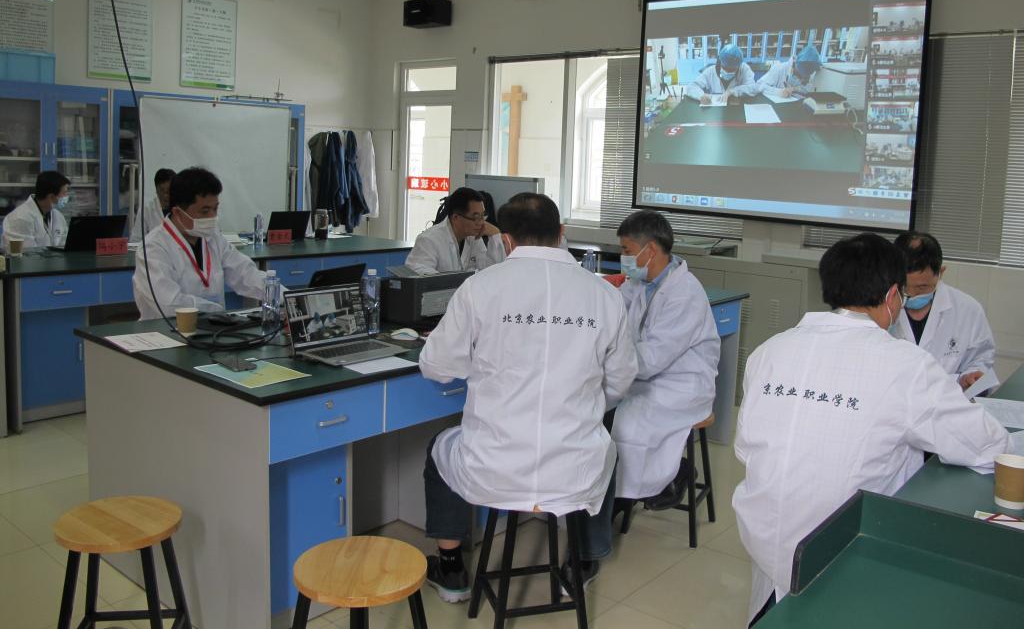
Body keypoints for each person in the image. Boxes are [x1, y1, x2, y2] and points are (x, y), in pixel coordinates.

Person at [732, 233, 1008, 626]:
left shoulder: (770, 350)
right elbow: (985, 444)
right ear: (893, 295)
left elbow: (746, 450)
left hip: (763, 539)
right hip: (845, 547)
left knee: (779, 610)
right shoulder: (906, 364)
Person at [418, 193, 638, 603]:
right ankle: (583, 560)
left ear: (506, 240)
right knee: (605, 448)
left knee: (439, 448)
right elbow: (622, 379)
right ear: (561, 232)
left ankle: (450, 569)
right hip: (573, 467)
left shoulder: (480, 288)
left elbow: (436, 366)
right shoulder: (604, 295)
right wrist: (584, 403)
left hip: (493, 467)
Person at [573, 210, 720, 591]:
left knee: (617, 429)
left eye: (626, 250)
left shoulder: (684, 294)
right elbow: (614, 318)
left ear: (650, 250)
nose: (622, 257)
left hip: (679, 385)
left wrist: (604, 358)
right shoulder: (641, 282)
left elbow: (652, 358)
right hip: (641, 377)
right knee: (597, 417)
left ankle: (657, 485)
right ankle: (628, 495)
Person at [133, 167, 267, 320]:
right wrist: (214, 309)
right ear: (178, 212)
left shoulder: (213, 237)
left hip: (213, 327)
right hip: (167, 331)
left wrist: (281, 294)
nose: (212, 216)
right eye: (205, 211)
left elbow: (245, 273)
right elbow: (169, 303)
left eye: (215, 209)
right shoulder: (153, 248)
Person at [893, 232, 996, 392]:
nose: (911, 294)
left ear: (941, 272)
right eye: (904, 287)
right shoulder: (881, 307)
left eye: (922, 287)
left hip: (947, 401)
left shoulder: (967, 309)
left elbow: (981, 359)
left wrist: (968, 378)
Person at [405, 187, 505, 274]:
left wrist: (495, 234)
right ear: (456, 218)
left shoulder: (474, 237)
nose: (481, 222)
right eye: (476, 217)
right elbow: (419, 274)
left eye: (483, 216)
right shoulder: (429, 240)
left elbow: (489, 271)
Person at [2, 171, 71, 250]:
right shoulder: (19, 218)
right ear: (51, 197)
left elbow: (65, 245)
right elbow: (23, 253)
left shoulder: (58, 215)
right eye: (64, 193)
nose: (67, 197)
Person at [685, 43, 756, 103]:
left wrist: (733, 91)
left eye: (732, 69)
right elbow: (691, 87)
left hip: (737, 108)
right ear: (721, 62)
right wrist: (701, 96)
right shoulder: (711, 71)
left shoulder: (744, 69)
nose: (728, 72)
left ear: (738, 65)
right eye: (725, 68)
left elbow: (753, 88)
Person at [756, 45, 822, 98]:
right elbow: (759, 86)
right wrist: (779, 92)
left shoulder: (809, 71)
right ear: (796, 63)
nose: (803, 79)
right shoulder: (779, 69)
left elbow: (807, 87)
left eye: (807, 75)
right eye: (801, 76)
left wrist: (793, 89)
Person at [129, 168, 175, 244]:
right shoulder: (146, 210)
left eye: (169, 191)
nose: (165, 195)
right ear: (156, 190)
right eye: (162, 190)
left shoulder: (182, 209)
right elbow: (135, 241)